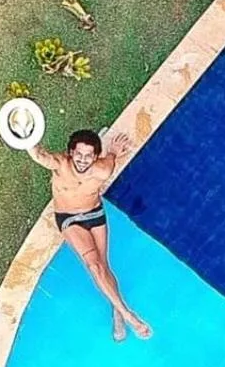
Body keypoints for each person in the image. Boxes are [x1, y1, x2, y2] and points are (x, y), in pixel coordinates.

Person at [26, 128, 151, 340]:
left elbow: (110, 158)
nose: (82, 160)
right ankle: (128, 315)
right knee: (95, 266)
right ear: (70, 153)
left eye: (88, 156)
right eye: (78, 154)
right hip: (69, 218)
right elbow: (39, 155)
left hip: (95, 213)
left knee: (104, 266)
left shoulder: (103, 170)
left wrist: (113, 151)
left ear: (95, 157)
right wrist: (26, 137)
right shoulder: (60, 164)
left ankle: (116, 308)